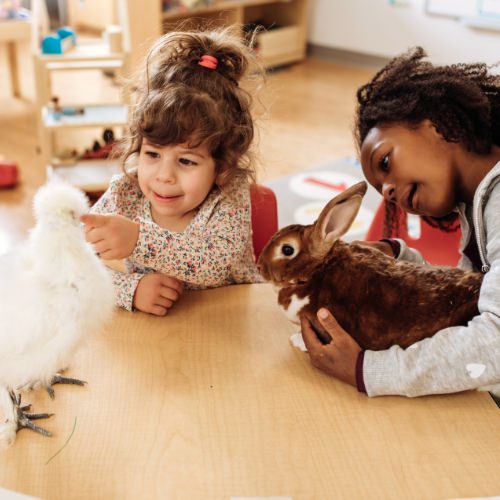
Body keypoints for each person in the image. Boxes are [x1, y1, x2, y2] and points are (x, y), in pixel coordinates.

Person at [300, 47, 500, 399]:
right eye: (381, 190)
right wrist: (394, 260)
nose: (388, 190)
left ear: (434, 120)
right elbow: (466, 304)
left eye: (386, 162)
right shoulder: (475, 206)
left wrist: (368, 371)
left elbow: (494, 343)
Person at [81, 27, 265, 316]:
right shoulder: (124, 193)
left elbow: (213, 264)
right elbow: (70, 264)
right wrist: (130, 289)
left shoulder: (229, 196)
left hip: (232, 326)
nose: (164, 176)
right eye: (152, 154)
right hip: (159, 341)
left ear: (222, 166)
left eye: (186, 161)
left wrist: (137, 240)